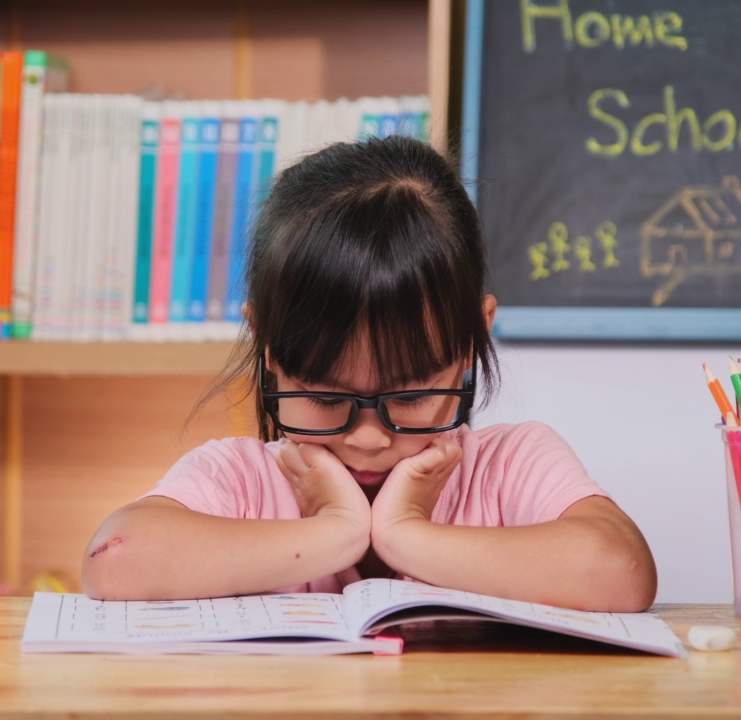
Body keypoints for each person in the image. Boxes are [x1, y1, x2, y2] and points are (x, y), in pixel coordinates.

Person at [82, 136, 656, 611]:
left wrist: (406, 533)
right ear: (268, 350)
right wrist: (336, 532)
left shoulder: (511, 466)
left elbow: (621, 571)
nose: (369, 438)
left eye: (408, 395)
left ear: (470, 343)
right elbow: (116, 560)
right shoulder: (239, 478)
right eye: (327, 396)